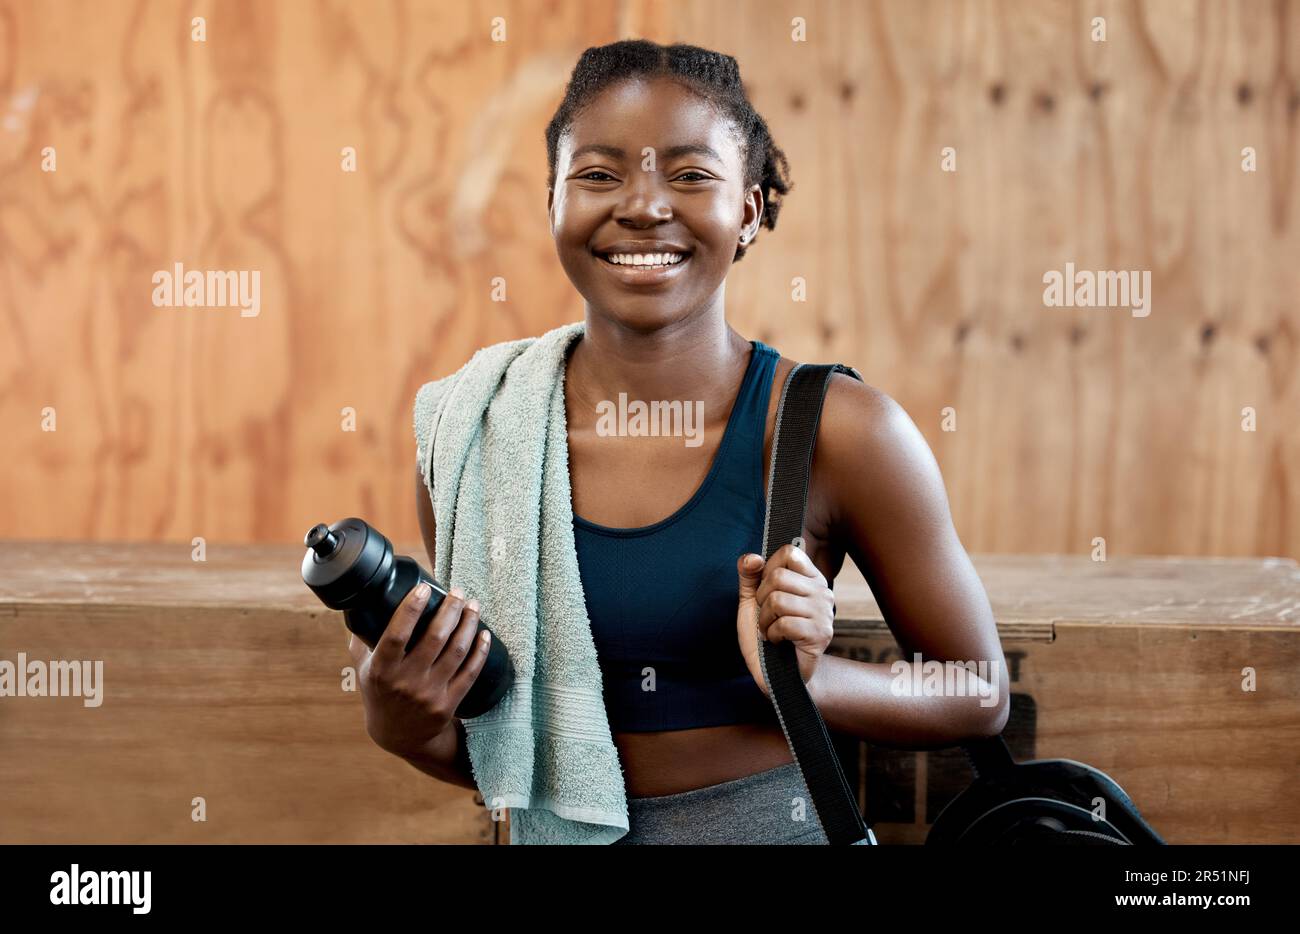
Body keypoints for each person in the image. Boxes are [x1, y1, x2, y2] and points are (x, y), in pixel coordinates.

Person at [349, 39, 1008, 844]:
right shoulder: (475, 429)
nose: (643, 206)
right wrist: (403, 725)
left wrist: (806, 680)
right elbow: (503, 750)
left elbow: (979, 691)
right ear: (551, 200)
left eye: (691, 176)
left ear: (750, 213)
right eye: (598, 174)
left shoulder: (839, 429)